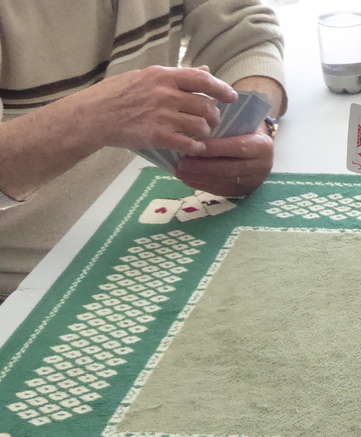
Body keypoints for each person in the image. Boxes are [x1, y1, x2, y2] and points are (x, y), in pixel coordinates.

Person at [0, 0, 287, 298]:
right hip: (25, 289)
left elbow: (245, 35)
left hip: (156, 234)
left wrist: (253, 128)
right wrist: (92, 117)